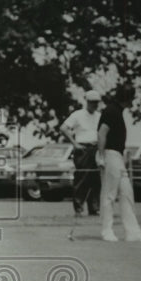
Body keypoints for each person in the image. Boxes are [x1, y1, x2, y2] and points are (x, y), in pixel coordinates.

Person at [97, 85, 141, 242]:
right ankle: (106, 231)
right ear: (126, 98)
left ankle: (133, 232)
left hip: (117, 156)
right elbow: (101, 133)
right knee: (109, 194)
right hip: (110, 155)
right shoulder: (111, 111)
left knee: (126, 193)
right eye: (131, 98)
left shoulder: (117, 111)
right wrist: (101, 157)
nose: (133, 101)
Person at [60, 89, 102, 217]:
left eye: (96, 102)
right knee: (82, 178)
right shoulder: (77, 115)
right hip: (82, 148)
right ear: (87, 102)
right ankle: (79, 208)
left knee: (96, 179)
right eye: (92, 102)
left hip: (96, 148)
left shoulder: (99, 116)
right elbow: (63, 128)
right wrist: (75, 143)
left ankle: (94, 208)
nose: (94, 105)